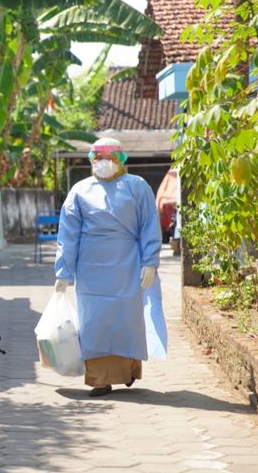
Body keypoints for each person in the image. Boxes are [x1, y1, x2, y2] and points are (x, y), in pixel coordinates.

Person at [54, 138, 167, 397]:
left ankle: (127, 372)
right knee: (94, 322)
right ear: (91, 160)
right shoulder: (80, 191)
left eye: (109, 157)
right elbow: (68, 234)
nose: (103, 163)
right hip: (90, 269)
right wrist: (63, 272)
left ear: (121, 160)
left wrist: (150, 261)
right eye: (98, 157)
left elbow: (149, 224)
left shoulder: (137, 187)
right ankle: (99, 379)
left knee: (126, 322)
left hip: (127, 266)